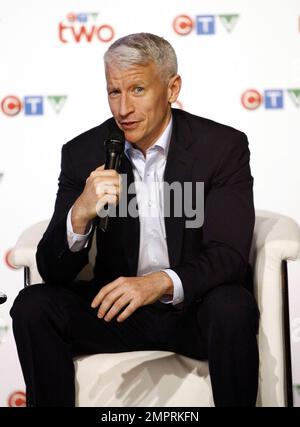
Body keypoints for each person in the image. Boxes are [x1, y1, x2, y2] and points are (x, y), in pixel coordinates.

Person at [10, 33, 259, 407]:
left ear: (172, 88)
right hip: (117, 312)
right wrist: (78, 215)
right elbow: (53, 269)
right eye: (114, 92)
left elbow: (228, 255)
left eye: (138, 89)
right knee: (33, 306)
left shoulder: (221, 147)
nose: (123, 108)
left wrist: (158, 284)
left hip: (191, 308)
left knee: (232, 305)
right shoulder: (84, 153)